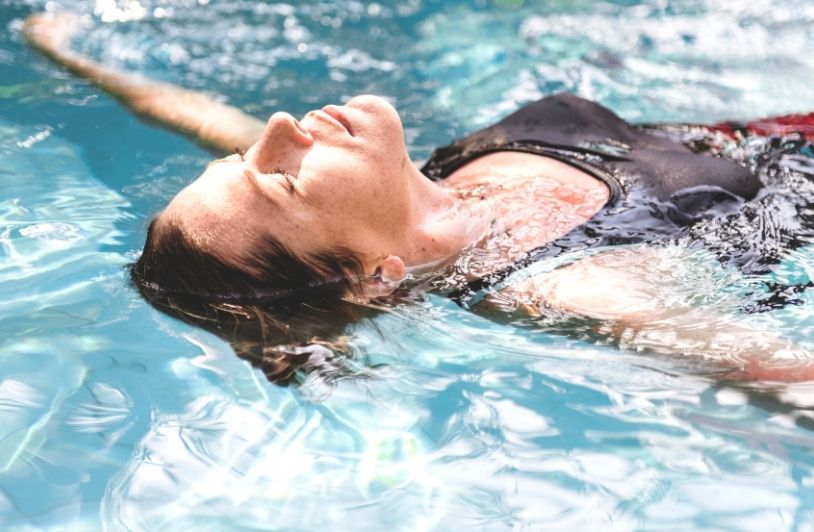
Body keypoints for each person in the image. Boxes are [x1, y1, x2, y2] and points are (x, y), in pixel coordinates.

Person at [23, 12, 814, 384]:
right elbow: (774, 370)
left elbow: (196, 114)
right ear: (378, 273)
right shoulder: (563, 284)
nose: (275, 127)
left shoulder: (422, 178)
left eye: (241, 156)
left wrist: (74, 58)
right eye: (283, 176)